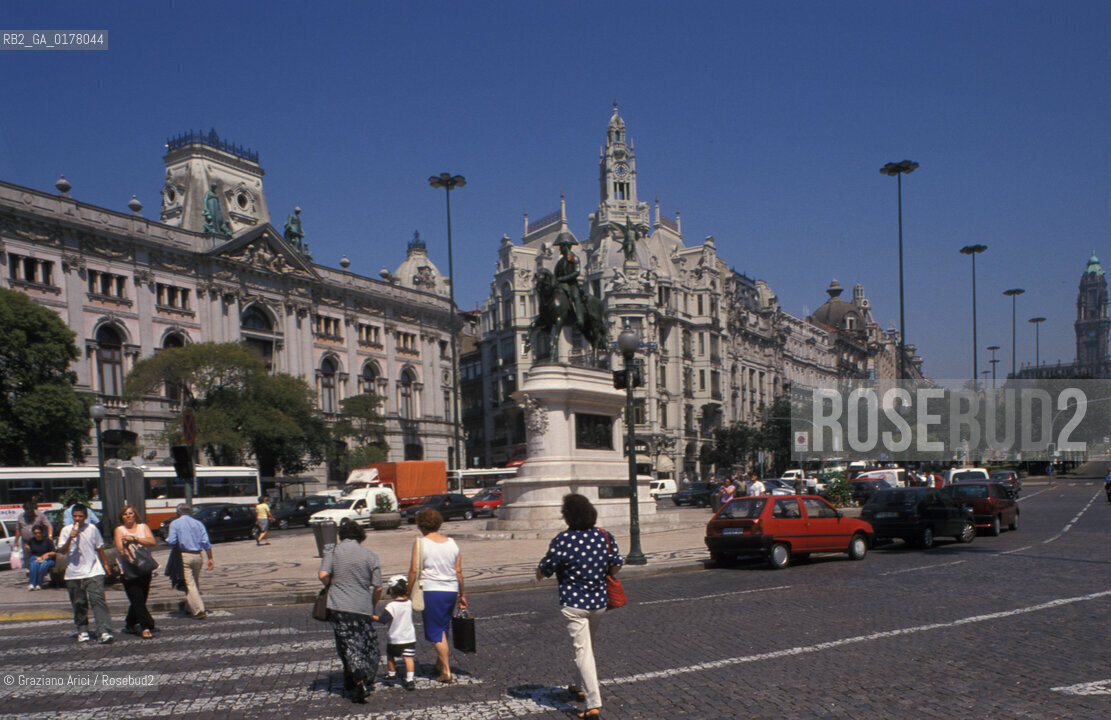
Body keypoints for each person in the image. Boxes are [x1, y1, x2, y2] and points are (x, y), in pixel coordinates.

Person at [536, 493, 624, 720]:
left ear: (568, 516)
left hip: (574, 604)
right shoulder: (603, 535)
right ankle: (580, 686)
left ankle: (593, 703)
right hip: (598, 603)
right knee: (587, 648)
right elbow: (615, 566)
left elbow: (545, 569)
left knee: (582, 651)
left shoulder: (562, 540)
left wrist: (539, 574)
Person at [319, 521, 383, 703]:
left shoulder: (332, 551)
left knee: (346, 642)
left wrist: (333, 586)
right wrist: (372, 604)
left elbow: (322, 574)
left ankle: (354, 677)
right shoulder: (370, 556)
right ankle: (363, 676)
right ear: (361, 536)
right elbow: (378, 586)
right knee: (365, 642)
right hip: (362, 606)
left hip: (338, 605)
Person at [406, 508, 467, 684]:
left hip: (432, 589)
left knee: (436, 630)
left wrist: (408, 592)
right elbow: (459, 571)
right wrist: (462, 594)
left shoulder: (421, 543)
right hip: (451, 590)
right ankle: (440, 663)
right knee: (443, 626)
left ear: (421, 524)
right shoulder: (452, 543)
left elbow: (413, 570)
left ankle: (446, 670)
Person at [57, 504, 115, 643]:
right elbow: (62, 551)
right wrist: (71, 538)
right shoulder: (66, 530)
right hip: (74, 572)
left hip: (93, 570)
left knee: (97, 600)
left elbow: (99, 547)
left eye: (80, 516)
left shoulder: (92, 529)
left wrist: (105, 564)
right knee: (78, 602)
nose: (77, 519)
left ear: (86, 517)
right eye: (75, 516)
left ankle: (104, 631)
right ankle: (82, 629)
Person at [113, 505, 157, 639]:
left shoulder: (143, 527)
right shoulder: (119, 530)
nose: (128, 516)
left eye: (130, 513)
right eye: (125, 514)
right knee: (137, 598)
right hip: (129, 569)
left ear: (135, 515)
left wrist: (135, 539)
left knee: (141, 598)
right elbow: (121, 549)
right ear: (122, 517)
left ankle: (130, 623)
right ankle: (146, 626)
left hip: (144, 567)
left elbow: (152, 542)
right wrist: (129, 554)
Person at [165, 504, 214, 619]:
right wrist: (210, 558)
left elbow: (172, 541)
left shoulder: (175, 523)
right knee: (194, 582)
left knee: (189, 584)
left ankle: (199, 610)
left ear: (178, 512)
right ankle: (189, 607)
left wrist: (167, 539)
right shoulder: (198, 523)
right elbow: (206, 542)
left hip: (184, 555)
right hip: (198, 555)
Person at [374, 575, 417, 691]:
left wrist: (372, 617)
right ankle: (410, 680)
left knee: (391, 656)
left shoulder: (391, 606)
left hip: (395, 638)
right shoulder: (409, 603)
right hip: (409, 638)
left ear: (391, 591)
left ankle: (391, 675)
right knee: (409, 658)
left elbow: (383, 619)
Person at [554, 236, 587, 329]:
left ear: (566, 247)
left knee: (575, 296)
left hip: (571, 283)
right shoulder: (560, 261)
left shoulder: (573, 258)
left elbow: (576, 272)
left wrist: (563, 278)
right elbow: (556, 274)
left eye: (561, 246)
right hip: (560, 284)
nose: (560, 248)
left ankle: (579, 318)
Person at [16, 501, 52, 571]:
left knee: (38, 557)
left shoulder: (40, 515)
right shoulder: (21, 516)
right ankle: (30, 571)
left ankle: (40, 570)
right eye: (27, 512)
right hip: (26, 541)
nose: (29, 514)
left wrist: (49, 536)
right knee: (28, 557)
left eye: (30, 512)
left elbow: (49, 526)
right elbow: (18, 529)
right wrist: (16, 541)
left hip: (37, 541)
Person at [24, 525, 56, 591]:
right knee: (34, 564)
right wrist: (27, 547)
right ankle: (32, 583)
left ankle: (39, 583)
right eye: (36, 533)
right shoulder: (32, 541)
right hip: (36, 559)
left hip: (47, 559)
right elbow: (27, 546)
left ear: (42, 533)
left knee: (43, 565)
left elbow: (54, 552)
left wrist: (47, 554)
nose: (38, 535)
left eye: (39, 533)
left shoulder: (47, 541)